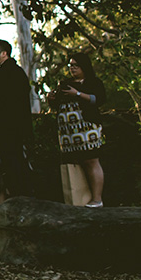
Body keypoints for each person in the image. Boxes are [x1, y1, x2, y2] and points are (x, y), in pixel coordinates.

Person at [0, 40, 34, 210]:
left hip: (7, 130)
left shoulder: (5, 75)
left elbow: (0, 103)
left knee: (13, 166)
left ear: (4, 53)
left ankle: (21, 202)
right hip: (16, 128)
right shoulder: (16, 73)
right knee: (16, 165)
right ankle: (23, 200)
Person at [53, 55, 107, 207]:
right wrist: (51, 99)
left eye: (76, 65)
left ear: (84, 66)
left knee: (91, 160)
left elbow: (99, 99)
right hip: (68, 132)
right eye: (70, 65)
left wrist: (77, 94)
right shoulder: (65, 84)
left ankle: (97, 198)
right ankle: (79, 199)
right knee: (74, 163)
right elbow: (56, 105)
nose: (73, 68)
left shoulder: (93, 82)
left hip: (87, 127)